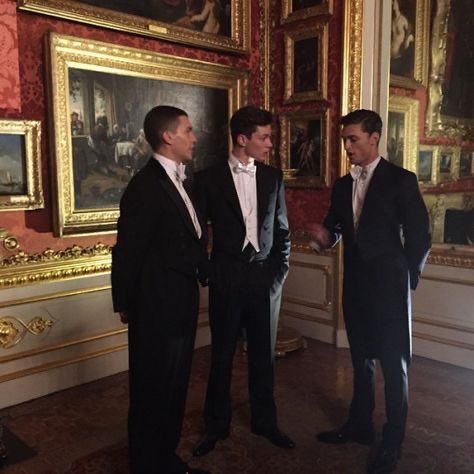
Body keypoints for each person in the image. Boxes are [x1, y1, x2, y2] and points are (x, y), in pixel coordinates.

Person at [309, 109, 431, 474]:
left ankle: (392, 439)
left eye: (353, 139)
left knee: (395, 366)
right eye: (345, 139)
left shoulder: (401, 180)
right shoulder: (343, 185)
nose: (347, 146)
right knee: (361, 361)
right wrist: (321, 240)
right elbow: (334, 231)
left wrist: (406, 280)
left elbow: (420, 236)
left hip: (391, 289)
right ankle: (360, 426)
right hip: (356, 288)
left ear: (374, 137)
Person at [111, 105, 209, 474]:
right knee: (152, 391)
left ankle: (165, 459)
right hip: (155, 308)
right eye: (188, 130)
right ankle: (146, 465)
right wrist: (126, 304)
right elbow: (127, 251)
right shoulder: (145, 186)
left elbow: (189, 238)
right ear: (168, 136)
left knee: (174, 387)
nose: (194, 137)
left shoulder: (182, 180)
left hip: (180, 302)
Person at [193, 105, 294, 457]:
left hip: (264, 277)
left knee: (263, 357)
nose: (270, 144)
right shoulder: (207, 179)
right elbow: (195, 234)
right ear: (242, 139)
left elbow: (282, 231)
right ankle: (215, 426)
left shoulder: (273, 177)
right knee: (221, 355)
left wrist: (279, 273)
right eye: (264, 137)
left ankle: (266, 422)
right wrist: (209, 271)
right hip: (226, 275)